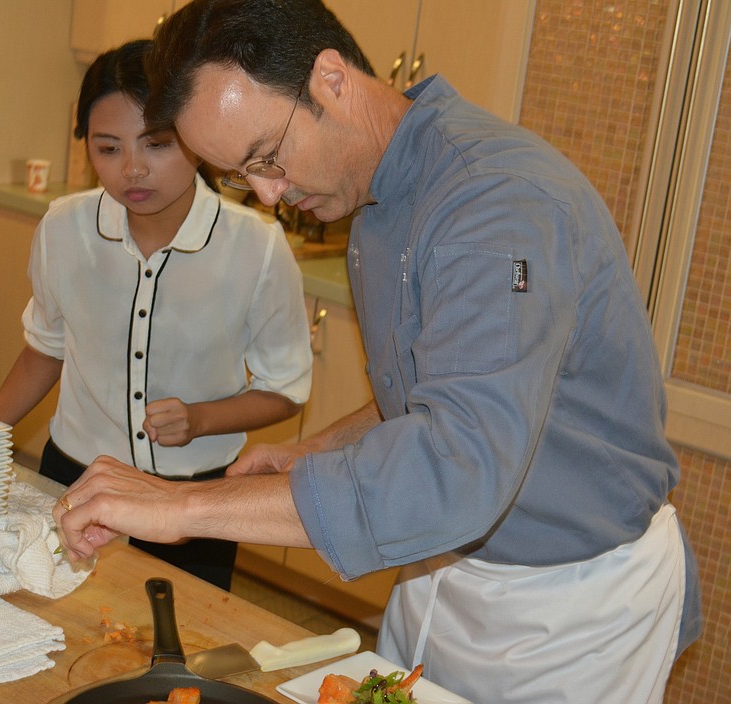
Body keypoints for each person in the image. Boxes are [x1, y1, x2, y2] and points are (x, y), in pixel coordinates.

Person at [52, 3, 702, 701]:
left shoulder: (497, 205)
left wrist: (184, 506)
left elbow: (459, 467)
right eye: (243, 177)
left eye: (268, 157)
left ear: (332, 79)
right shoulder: (377, 189)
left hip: (571, 605)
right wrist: (320, 448)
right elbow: (445, 382)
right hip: (442, 571)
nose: (271, 196)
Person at [0, 38, 312, 591]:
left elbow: (286, 388)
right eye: (108, 148)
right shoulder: (64, 228)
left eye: (156, 144)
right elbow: (45, 348)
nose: (133, 170)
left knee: (179, 651)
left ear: (195, 137)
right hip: (76, 479)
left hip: (196, 501)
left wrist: (201, 419)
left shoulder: (255, 247)